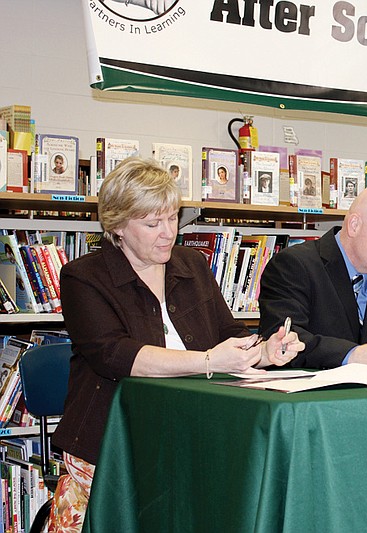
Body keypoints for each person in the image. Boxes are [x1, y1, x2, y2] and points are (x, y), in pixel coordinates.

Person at [51, 157, 304, 531]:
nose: (167, 232)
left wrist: (264, 352)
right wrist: (207, 361)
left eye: (172, 218)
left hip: (191, 431)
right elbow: (114, 355)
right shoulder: (84, 277)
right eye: (153, 224)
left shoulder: (191, 265)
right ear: (117, 226)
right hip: (111, 442)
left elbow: (229, 333)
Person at [259, 183, 367, 369]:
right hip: (312, 394)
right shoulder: (294, 266)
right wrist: (352, 354)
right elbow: (283, 340)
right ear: (354, 225)